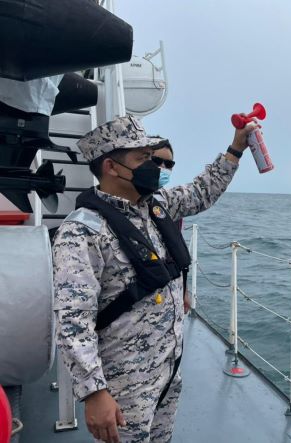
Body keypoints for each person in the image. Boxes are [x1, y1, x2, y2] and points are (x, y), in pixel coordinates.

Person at [52, 114, 256, 443]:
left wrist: (236, 148)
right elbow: (73, 320)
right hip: (125, 384)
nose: (153, 166)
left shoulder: (154, 206)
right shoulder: (81, 232)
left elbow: (201, 192)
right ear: (111, 167)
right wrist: (94, 392)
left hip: (167, 367)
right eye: (142, 158)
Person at [150, 138, 192, 314]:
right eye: (156, 161)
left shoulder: (169, 203)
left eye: (168, 164)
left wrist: (184, 290)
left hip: (172, 291)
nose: (162, 167)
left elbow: (175, 250)